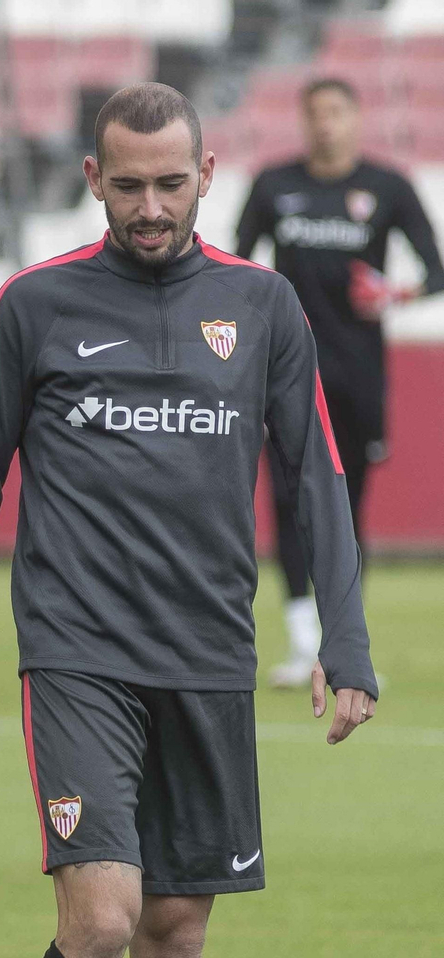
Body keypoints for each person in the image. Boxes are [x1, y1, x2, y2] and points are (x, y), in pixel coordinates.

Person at [0, 83, 377, 958]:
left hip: (208, 651)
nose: (151, 208)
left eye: (171, 184)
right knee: (100, 923)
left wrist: (345, 637)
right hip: (78, 652)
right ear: (93, 178)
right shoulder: (32, 304)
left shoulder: (264, 306)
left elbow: (315, 476)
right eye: (128, 186)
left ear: (206, 173)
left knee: (173, 934)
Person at [236, 76, 444, 688]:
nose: (325, 123)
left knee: (347, 508)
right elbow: (238, 270)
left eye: (336, 112)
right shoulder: (275, 186)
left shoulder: (387, 187)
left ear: (356, 118)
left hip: (358, 376)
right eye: (315, 113)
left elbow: (436, 270)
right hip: (286, 371)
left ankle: (341, 642)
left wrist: (395, 292)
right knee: (285, 499)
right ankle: (303, 645)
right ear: (303, 120)